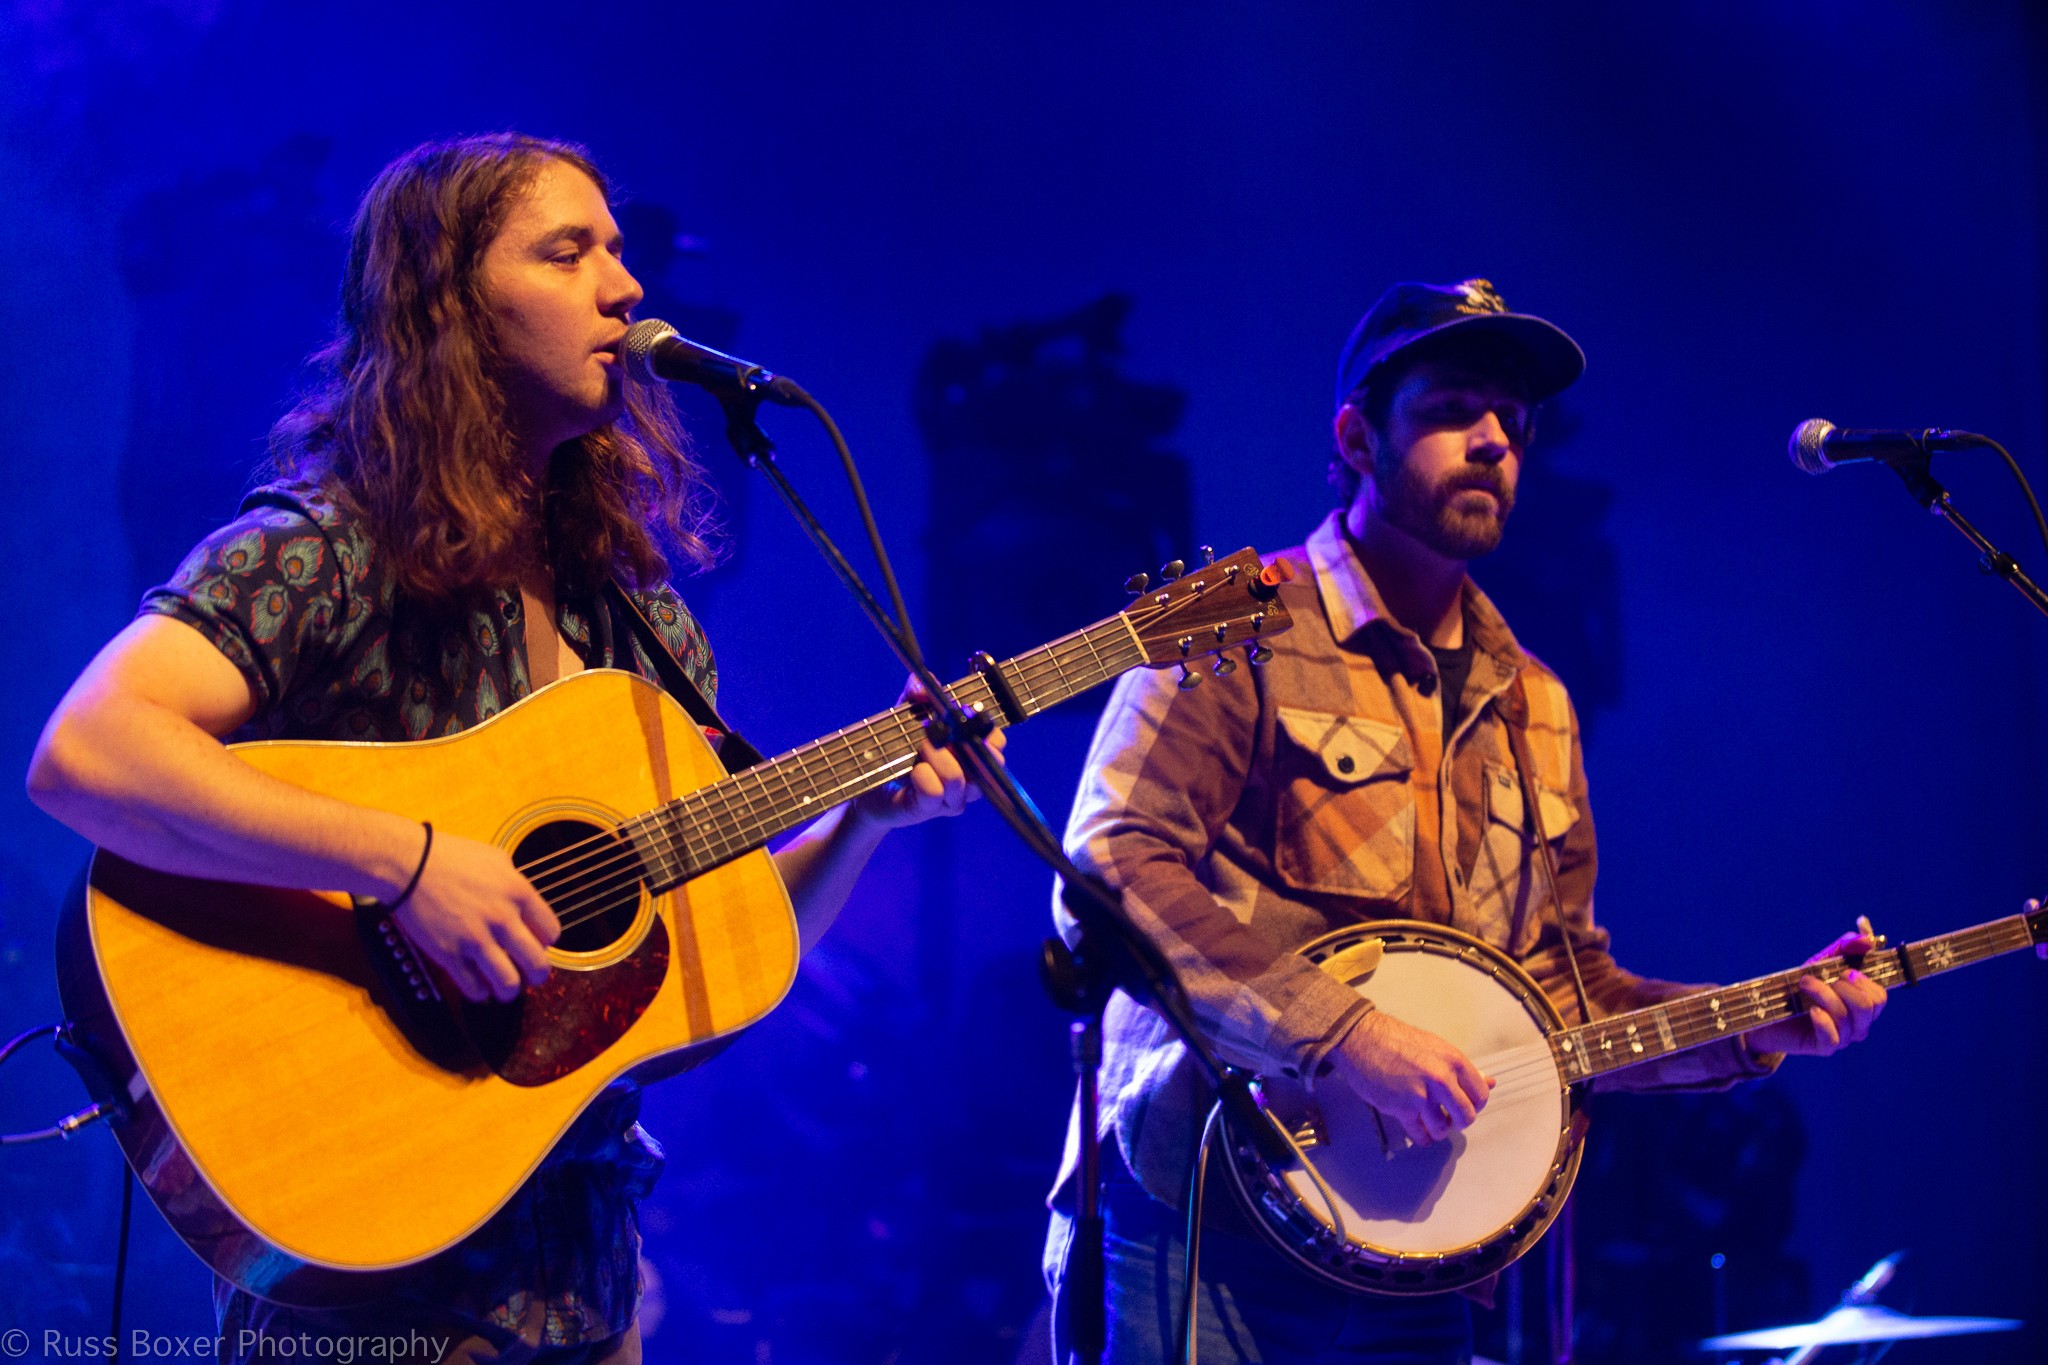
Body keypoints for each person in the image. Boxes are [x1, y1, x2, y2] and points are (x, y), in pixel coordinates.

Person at [27, 133, 995, 1364]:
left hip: (583, 1274)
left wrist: (859, 820)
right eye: (567, 251)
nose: (625, 286)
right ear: (450, 304)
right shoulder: (329, 551)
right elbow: (89, 752)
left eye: (619, 251)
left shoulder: (635, 624)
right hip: (371, 1271)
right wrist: (406, 863)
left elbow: (706, 970)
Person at [1040, 278, 1887, 1365]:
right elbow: (1108, 865)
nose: (1493, 440)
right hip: (1204, 1219)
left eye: (1513, 423)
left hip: (1416, 1248)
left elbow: (1567, 996)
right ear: (1356, 438)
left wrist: (1754, 1027)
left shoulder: (1536, 701)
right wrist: (1344, 1033)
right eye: (1451, 410)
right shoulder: (1231, 627)